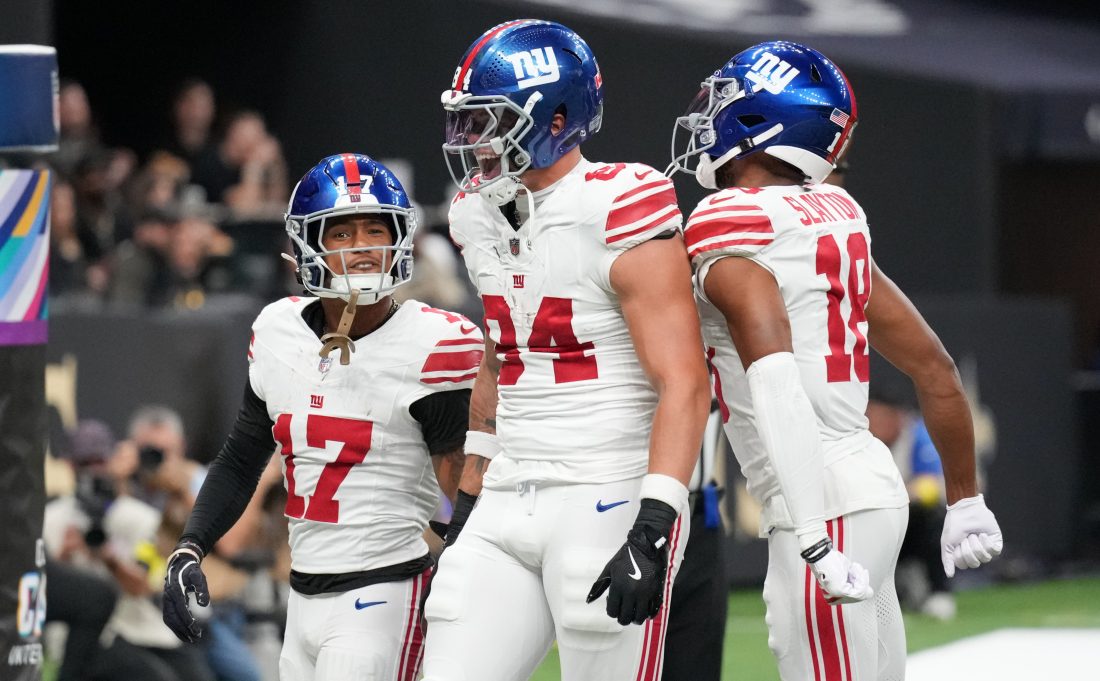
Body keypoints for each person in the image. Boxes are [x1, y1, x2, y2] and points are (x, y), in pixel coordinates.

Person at [669, 41, 1004, 679]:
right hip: (872, 489)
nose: (706, 117)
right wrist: (964, 496)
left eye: (724, 103)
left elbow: (776, 386)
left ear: (765, 121)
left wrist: (814, 537)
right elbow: (935, 367)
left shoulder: (728, 220)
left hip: (822, 500)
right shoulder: (837, 213)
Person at [423, 19, 711, 681]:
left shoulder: (619, 203)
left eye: (489, 120)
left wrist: (654, 522)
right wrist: (467, 499)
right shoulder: (475, 212)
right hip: (509, 488)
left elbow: (684, 379)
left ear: (555, 116)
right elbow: (502, 354)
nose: (473, 141)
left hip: (603, 490)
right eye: (467, 122)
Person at [160, 153, 478, 681]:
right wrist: (190, 546)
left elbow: (463, 481)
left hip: (385, 594)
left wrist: (465, 569)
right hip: (302, 597)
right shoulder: (278, 330)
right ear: (308, 245)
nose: (362, 249)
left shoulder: (434, 343)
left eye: (375, 230)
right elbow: (241, 458)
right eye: (342, 234)